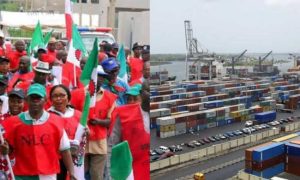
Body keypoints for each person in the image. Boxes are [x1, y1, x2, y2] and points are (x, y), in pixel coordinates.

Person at [1, 83, 77, 179]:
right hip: (21, 175)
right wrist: (5, 150)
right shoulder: (13, 122)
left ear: (45, 100)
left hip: (48, 175)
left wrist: (72, 172)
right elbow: (8, 148)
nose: (35, 102)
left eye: (38, 98)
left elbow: (65, 150)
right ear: (26, 100)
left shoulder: (56, 122)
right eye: (32, 98)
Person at [108, 83, 150, 180]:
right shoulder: (122, 115)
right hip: (130, 173)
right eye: (129, 99)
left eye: (134, 98)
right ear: (142, 94)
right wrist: (111, 175)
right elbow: (111, 147)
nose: (131, 102)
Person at [85, 65, 117, 180]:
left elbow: (110, 121)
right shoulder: (79, 95)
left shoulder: (110, 97)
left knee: (96, 176)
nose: (98, 79)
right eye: (96, 76)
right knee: (80, 175)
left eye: (101, 77)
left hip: (99, 142)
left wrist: (98, 121)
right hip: (81, 142)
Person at [48, 84, 84, 180]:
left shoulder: (78, 114)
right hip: (55, 160)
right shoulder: (46, 116)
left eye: (62, 95)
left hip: (75, 159)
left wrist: (86, 132)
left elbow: (84, 138)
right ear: (51, 99)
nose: (59, 99)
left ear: (68, 97)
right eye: (55, 96)